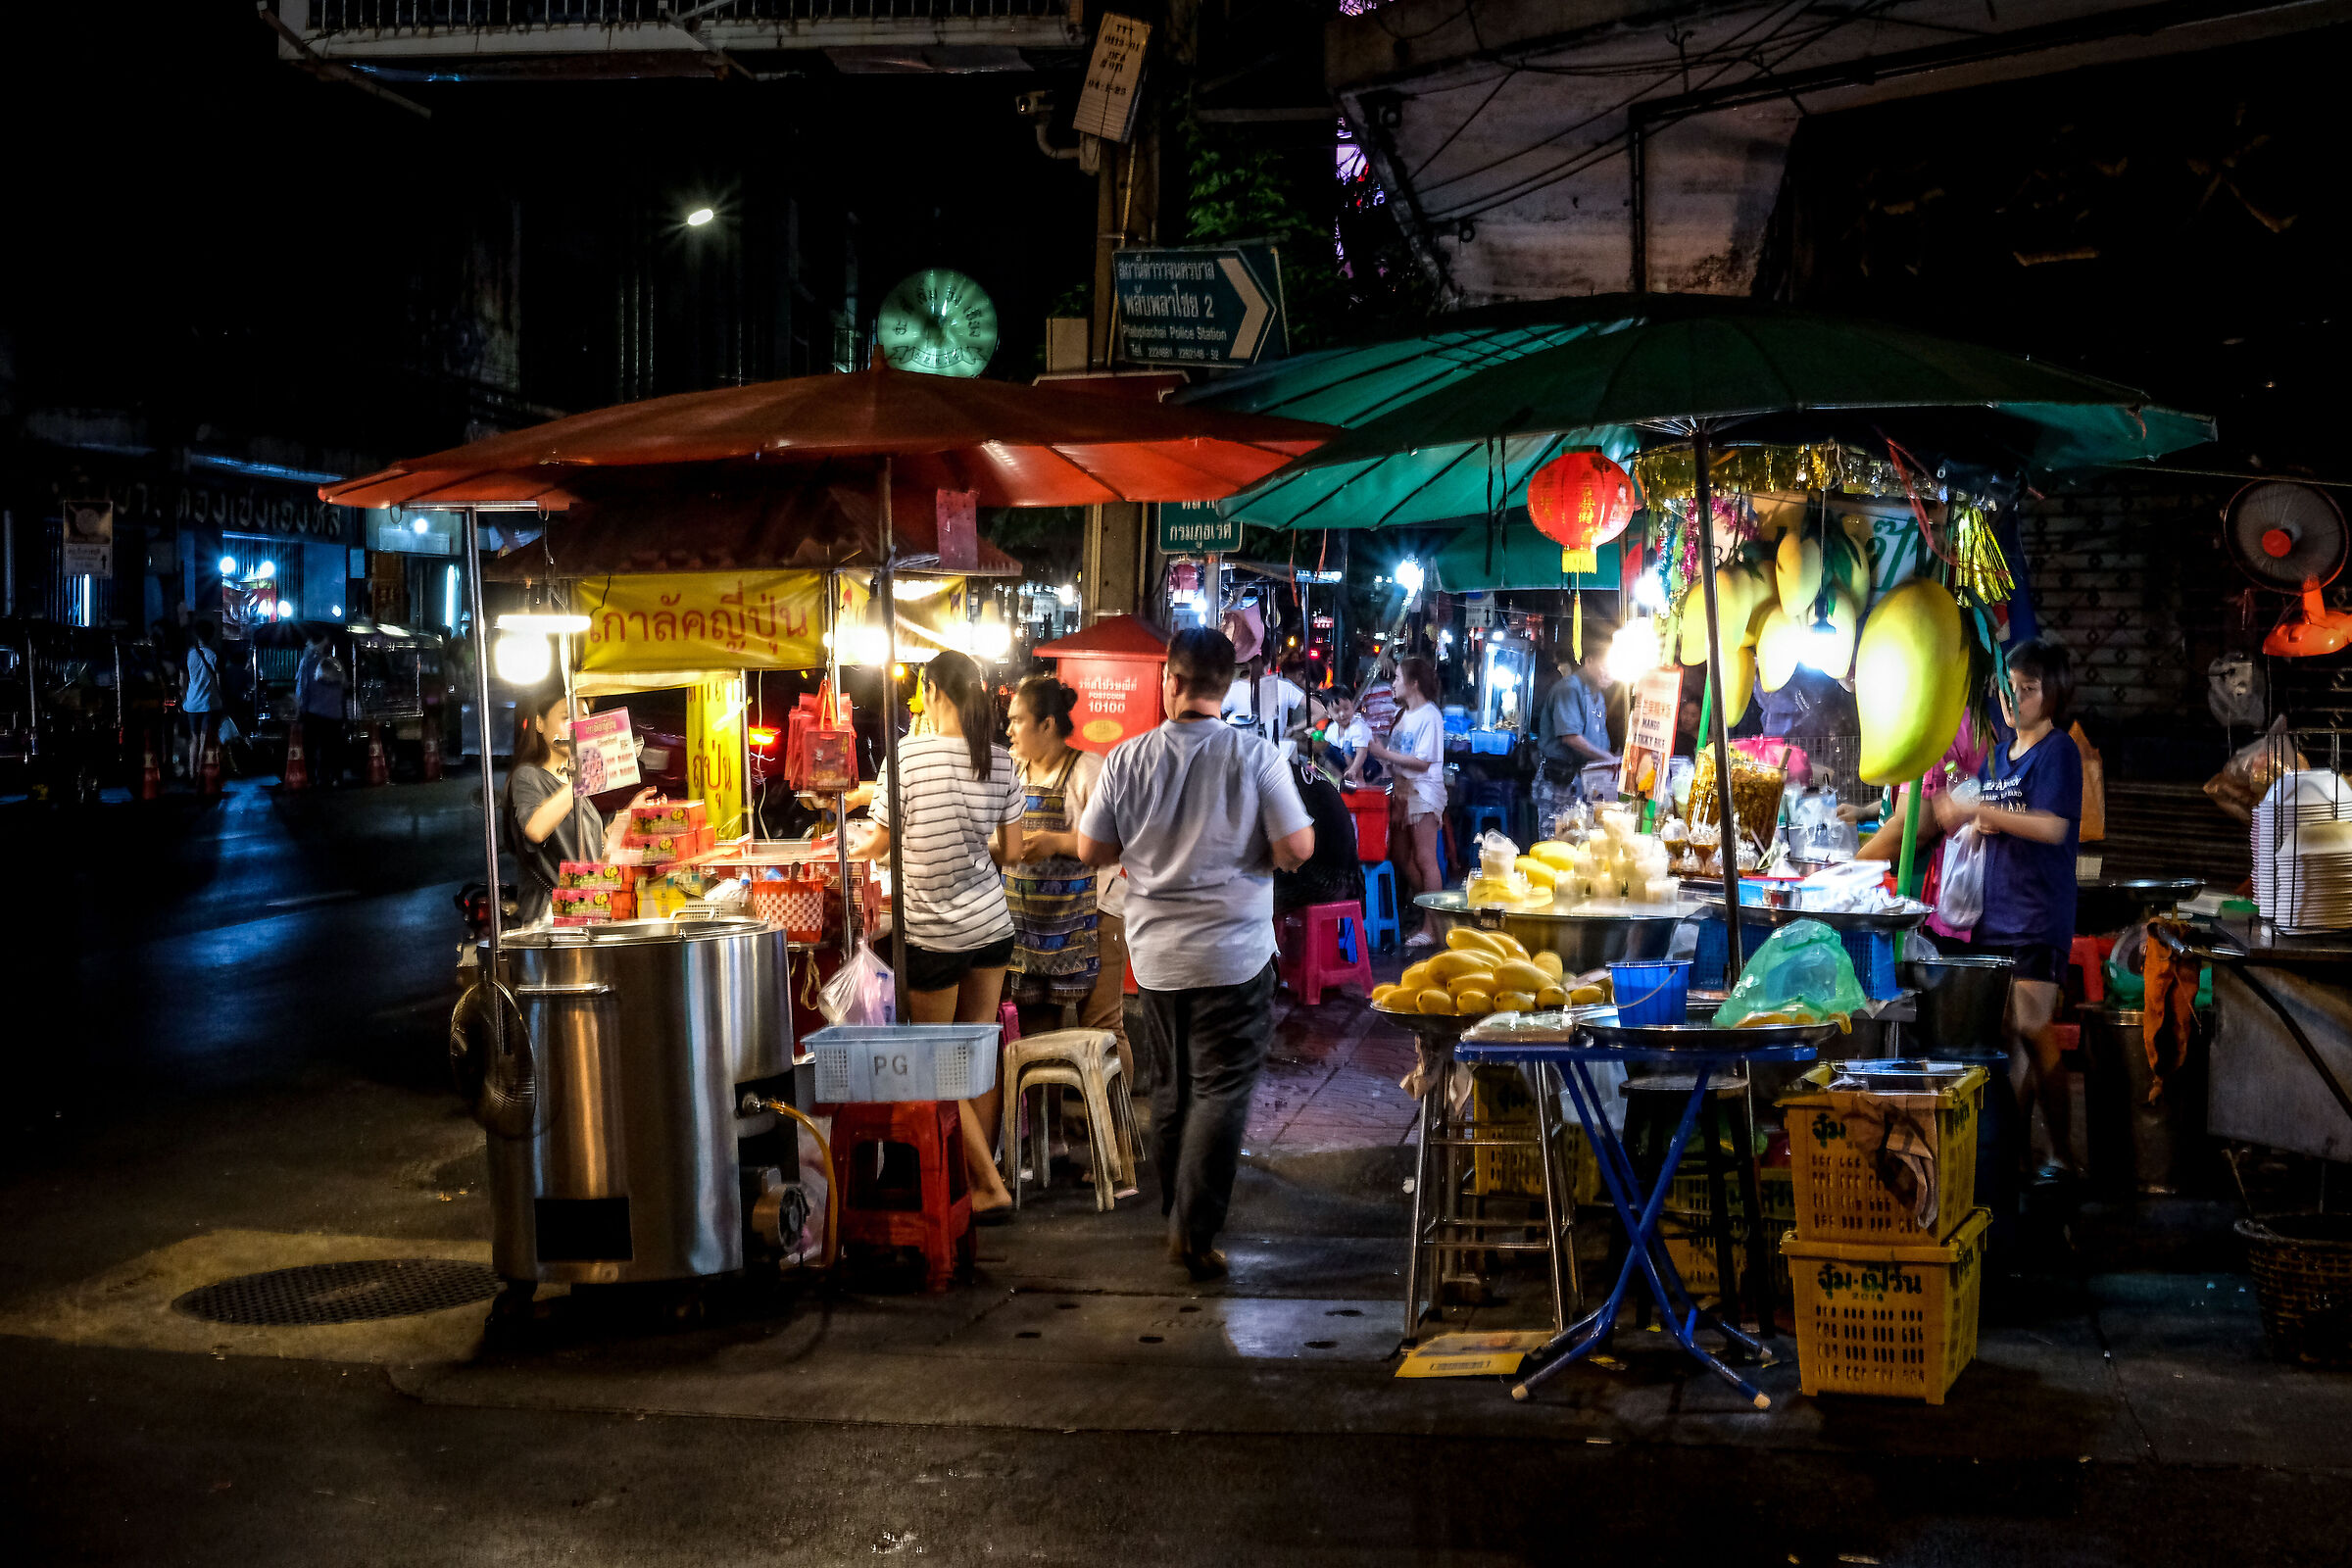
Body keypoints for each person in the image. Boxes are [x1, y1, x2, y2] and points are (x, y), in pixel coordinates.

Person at [1077, 628, 1314, 1280]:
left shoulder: (1127, 758)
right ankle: (1193, 1230)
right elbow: (1298, 847)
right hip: (1233, 955)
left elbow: (1091, 850)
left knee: (1172, 1087)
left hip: (1157, 958)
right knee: (1219, 1088)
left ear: (1172, 681)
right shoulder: (1255, 756)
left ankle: (1177, 1214)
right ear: (1226, 686)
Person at [859, 651, 1026, 1214]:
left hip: (933, 934)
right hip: (991, 926)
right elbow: (1013, 851)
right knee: (976, 1052)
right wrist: (970, 847)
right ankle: (975, 1177)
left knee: (936, 1061)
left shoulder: (906, 757)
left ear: (931, 692)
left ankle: (986, 1186)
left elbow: (877, 844)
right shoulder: (999, 760)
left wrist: (844, 843)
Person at [1931, 638, 2082, 1180]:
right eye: (2006, 687)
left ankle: (2063, 1153)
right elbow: (1984, 814)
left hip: (2039, 914)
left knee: (2033, 1025)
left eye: (2028, 689)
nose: (2013, 699)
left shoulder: (2058, 751)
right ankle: (2013, 1161)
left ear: (2053, 693)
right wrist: (1968, 813)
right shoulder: (1998, 755)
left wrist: (1988, 811)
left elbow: (2053, 826)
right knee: (2008, 1041)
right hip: (1994, 913)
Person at [1003, 675, 1133, 1090]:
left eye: (1018, 720)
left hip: (1094, 918)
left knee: (1103, 1030)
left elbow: (1117, 841)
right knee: (1040, 1040)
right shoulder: (1011, 770)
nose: (1009, 729)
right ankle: (1050, 1127)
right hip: (1029, 927)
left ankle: (1116, 1125)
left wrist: (1054, 842)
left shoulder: (1089, 770)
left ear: (1047, 724)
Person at [505, 694, 657, 926]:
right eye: (567, 718)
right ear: (539, 723)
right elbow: (535, 829)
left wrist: (629, 814)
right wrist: (582, 779)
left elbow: (596, 846)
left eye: (584, 719)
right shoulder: (528, 775)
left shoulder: (572, 783)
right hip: (549, 919)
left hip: (586, 913)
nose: (577, 728)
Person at [1359, 655, 1446, 947]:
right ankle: (1433, 914)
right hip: (1401, 791)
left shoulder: (1430, 716)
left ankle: (1431, 928)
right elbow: (1395, 757)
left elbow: (1422, 762)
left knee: (1424, 858)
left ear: (1414, 683)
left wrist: (1383, 753)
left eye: (1397, 678)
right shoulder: (1403, 715)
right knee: (1400, 856)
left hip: (1423, 792)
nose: (1393, 683)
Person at [1536, 640, 1617, 843]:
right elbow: (1571, 738)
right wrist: (1608, 758)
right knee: (1556, 841)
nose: (1610, 674)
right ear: (1589, 661)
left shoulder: (1598, 696)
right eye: (1606, 667)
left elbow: (1598, 738)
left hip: (1584, 782)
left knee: (1580, 841)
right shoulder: (1569, 689)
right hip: (1559, 782)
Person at [1274, 755, 1365, 915]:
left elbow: (1294, 848)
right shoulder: (1292, 773)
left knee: (1250, 892)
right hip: (1351, 879)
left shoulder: (1276, 782)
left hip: (1328, 882)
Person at [294, 627, 349, 787]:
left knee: (311, 748)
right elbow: (344, 686)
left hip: (314, 713)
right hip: (335, 713)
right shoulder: (336, 663)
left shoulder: (307, 663)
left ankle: (312, 778)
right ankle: (333, 776)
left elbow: (302, 689)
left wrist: (300, 710)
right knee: (332, 748)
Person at [1222, 657, 1306, 748]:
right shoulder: (1284, 686)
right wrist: (1293, 728)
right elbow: (1317, 711)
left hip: (1244, 751)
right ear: (1270, 662)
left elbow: (1214, 719)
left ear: (1248, 663)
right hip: (1274, 751)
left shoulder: (1233, 688)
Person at [179, 621, 223, 780]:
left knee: (194, 738)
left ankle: (192, 772)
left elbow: (182, 681)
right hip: (210, 704)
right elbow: (219, 682)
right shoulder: (215, 655)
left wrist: (184, 699)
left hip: (191, 704)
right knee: (205, 739)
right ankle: (201, 772)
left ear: (196, 635)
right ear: (211, 635)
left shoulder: (188, 654)